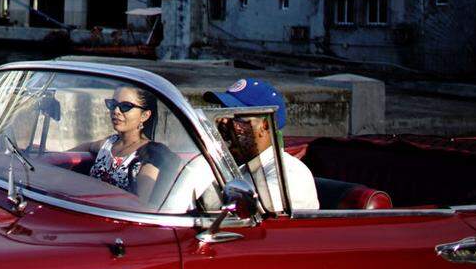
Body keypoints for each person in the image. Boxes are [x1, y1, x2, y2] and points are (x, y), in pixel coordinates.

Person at [161, 77, 319, 213]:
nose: (223, 121)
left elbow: (238, 214)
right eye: (223, 112)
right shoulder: (241, 168)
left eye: (235, 115)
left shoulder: (290, 174)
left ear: (264, 126)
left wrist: (201, 166)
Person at [75, 85, 178, 204]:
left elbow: (139, 205)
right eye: (112, 104)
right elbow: (66, 154)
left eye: (125, 106)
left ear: (145, 115)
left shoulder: (151, 154)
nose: (116, 111)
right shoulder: (108, 144)